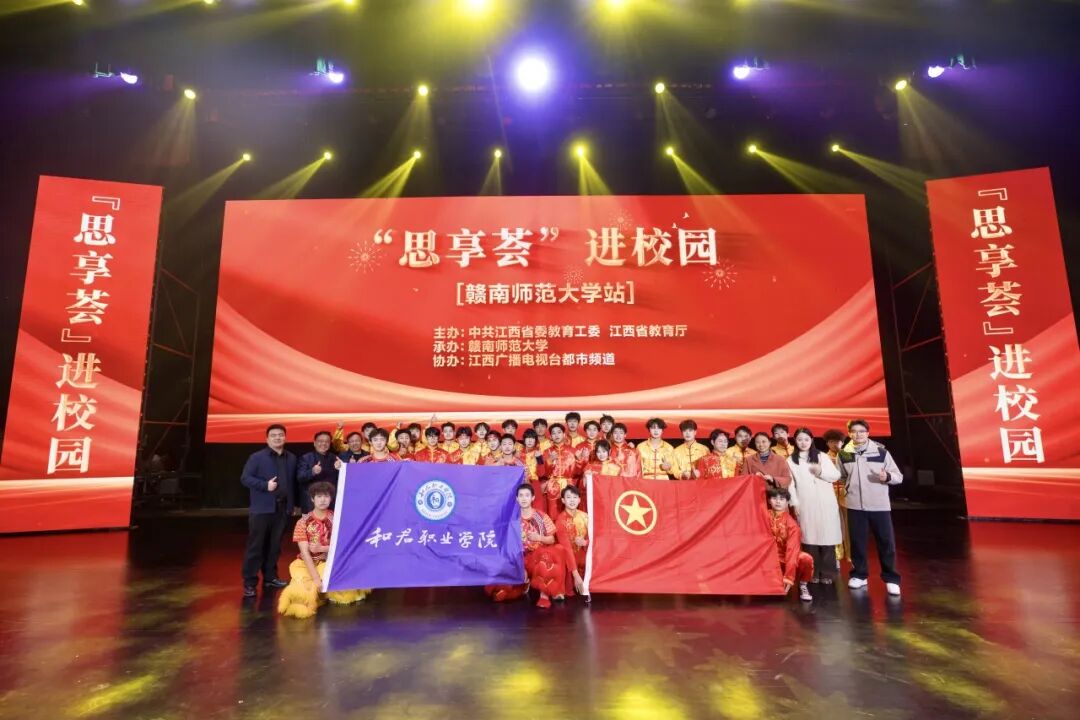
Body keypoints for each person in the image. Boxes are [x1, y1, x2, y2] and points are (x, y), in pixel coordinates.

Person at [278, 482, 368, 618]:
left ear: (331, 499)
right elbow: (305, 553)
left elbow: (345, 547)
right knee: (301, 595)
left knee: (344, 594)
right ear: (312, 499)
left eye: (326, 496)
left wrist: (323, 548)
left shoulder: (337, 519)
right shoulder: (303, 522)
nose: (323, 500)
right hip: (305, 564)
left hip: (329, 563)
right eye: (319, 496)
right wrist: (315, 578)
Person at [838, 419, 903, 596]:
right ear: (849, 434)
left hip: (879, 505)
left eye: (861, 431)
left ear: (868, 433)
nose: (857, 434)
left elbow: (898, 476)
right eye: (854, 431)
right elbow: (842, 476)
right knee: (857, 542)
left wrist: (887, 476)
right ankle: (859, 575)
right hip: (854, 505)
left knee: (886, 542)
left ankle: (891, 578)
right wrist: (849, 489)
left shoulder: (881, 452)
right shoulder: (844, 454)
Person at [485, 484, 570, 608]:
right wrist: (520, 566)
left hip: (536, 557)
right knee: (500, 589)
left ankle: (544, 595)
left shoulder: (541, 516)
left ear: (533, 497)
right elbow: (508, 545)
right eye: (521, 495)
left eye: (527, 495)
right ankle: (522, 586)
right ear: (517, 498)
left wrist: (539, 538)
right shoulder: (512, 518)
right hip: (518, 558)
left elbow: (552, 539)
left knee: (548, 555)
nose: (524, 498)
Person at [240, 424, 296, 598]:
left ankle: (270, 578)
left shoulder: (291, 458)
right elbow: (245, 478)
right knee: (256, 547)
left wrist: (291, 506)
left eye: (280, 435)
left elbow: (292, 484)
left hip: (282, 509)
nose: (277, 438)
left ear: (285, 437)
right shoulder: (257, 457)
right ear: (267, 439)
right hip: (262, 509)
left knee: (274, 546)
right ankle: (249, 583)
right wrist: (265, 485)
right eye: (273, 435)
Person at [786, 428, 842, 584]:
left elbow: (836, 475)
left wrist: (820, 471)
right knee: (809, 538)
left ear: (811, 440)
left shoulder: (822, 456)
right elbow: (790, 484)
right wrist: (794, 503)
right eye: (799, 440)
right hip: (806, 502)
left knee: (827, 537)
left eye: (806, 439)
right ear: (795, 441)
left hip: (825, 502)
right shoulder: (791, 460)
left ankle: (827, 573)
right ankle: (812, 572)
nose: (803, 443)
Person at [766, 486, 814, 602]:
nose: (778, 502)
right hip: (767, 557)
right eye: (774, 498)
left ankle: (803, 585)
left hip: (785, 558)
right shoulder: (763, 516)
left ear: (787, 502)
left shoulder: (792, 525)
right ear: (769, 500)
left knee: (806, 559)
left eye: (782, 499)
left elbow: (792, 550)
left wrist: (789, 577)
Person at [823, 428, 851, 567]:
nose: (835, 444)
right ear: (827, 443)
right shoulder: (823, 457)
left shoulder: (848, 456)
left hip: (847, 494)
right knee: (834, 524)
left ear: (842, 442)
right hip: (830, 494)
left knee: (849, 525)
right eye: (831, 442)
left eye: (837, 441)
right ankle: (836, 555)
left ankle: (851, 555)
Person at [555, 485, 588, 597]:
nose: (572, 500)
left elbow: (595, 539)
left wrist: (585, 542)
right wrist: (576, 575)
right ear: (563, 500)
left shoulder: (585, 516)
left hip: (584, 556)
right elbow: (567, 549)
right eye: (568, 497)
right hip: (569, 561)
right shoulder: (560, 520)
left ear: (579, 500)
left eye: (575, 497)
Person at [297, 431, 342, 513]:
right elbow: (300, 477)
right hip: (311, 502)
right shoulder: (306, 458)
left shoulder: (335, 458)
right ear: (314, 443)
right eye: (320, 441)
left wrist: (341, 469)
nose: (324, 443)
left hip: (330, 502)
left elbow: (340, 481)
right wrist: (312, 471)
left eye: (327, 441)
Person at [542, 423, 581, 516]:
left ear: (564, 434)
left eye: (559, 432)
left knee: (570, 513)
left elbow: (579, 472)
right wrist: (550, 461)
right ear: (551, 436)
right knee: (553, 514)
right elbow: (544, 473)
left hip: (569, 485)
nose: (556, 435)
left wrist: (580, 460)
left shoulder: (573, 451)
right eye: (554, 433)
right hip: (553, 486)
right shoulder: (547, 452)